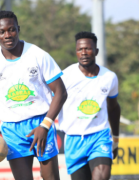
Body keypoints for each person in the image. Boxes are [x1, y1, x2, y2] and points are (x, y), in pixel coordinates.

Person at [0, 11, 67, 180]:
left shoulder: (38, 55)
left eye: (12, 29)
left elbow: (61, 92)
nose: (7, 35)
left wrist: (45, 125)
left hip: (40, 122)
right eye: (2, 32)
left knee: (51, 178)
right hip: (12, 129)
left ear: (18, 29)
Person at [58, 31, 121, 180]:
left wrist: (116, 139)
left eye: (88, 48)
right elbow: (53, 103)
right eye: (80, 49)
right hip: (73, 139)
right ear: (76, 52)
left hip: (99, 136)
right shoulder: (65, 77)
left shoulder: (109, 77)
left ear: (96, 51)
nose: (84, 53)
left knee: (101, 175)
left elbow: (113, 108)